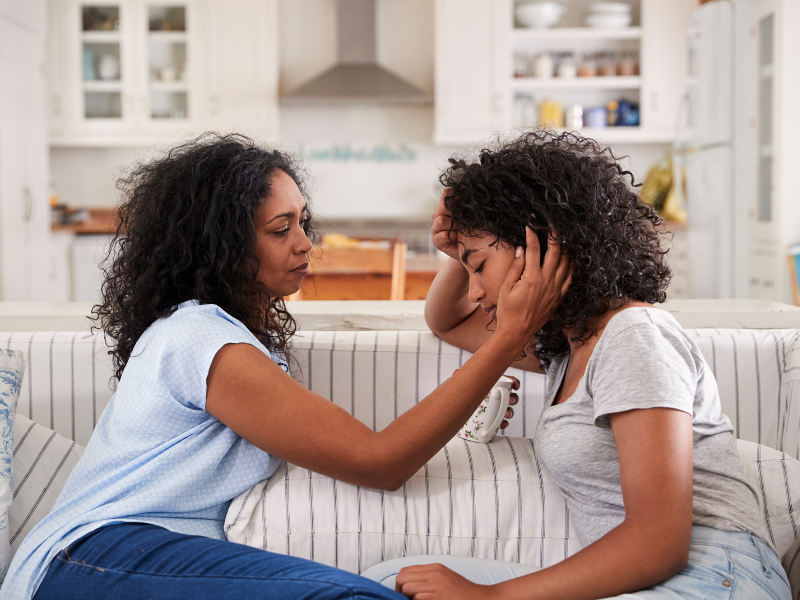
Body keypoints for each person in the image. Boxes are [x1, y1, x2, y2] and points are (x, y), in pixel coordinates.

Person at [1, 134, 571, 600]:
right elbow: (380, 461)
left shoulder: (232, 338)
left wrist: (456, 263)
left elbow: (443, 322)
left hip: (138, 558)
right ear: (220, 244)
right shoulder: (202, 341)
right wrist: (507, 341)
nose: (305, 244)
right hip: (94, 558)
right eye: (281, 230)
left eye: (303, 222)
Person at [362, 131, 791, 600]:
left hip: (714, 575)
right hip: (657, 580)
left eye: (480, 267)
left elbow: (660, 543)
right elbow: (445, 321)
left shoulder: (634, 336)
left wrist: (492, 597)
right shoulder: (567, 350)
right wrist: (461, 252)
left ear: (543, 244)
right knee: (394, 582)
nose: (475, 293)